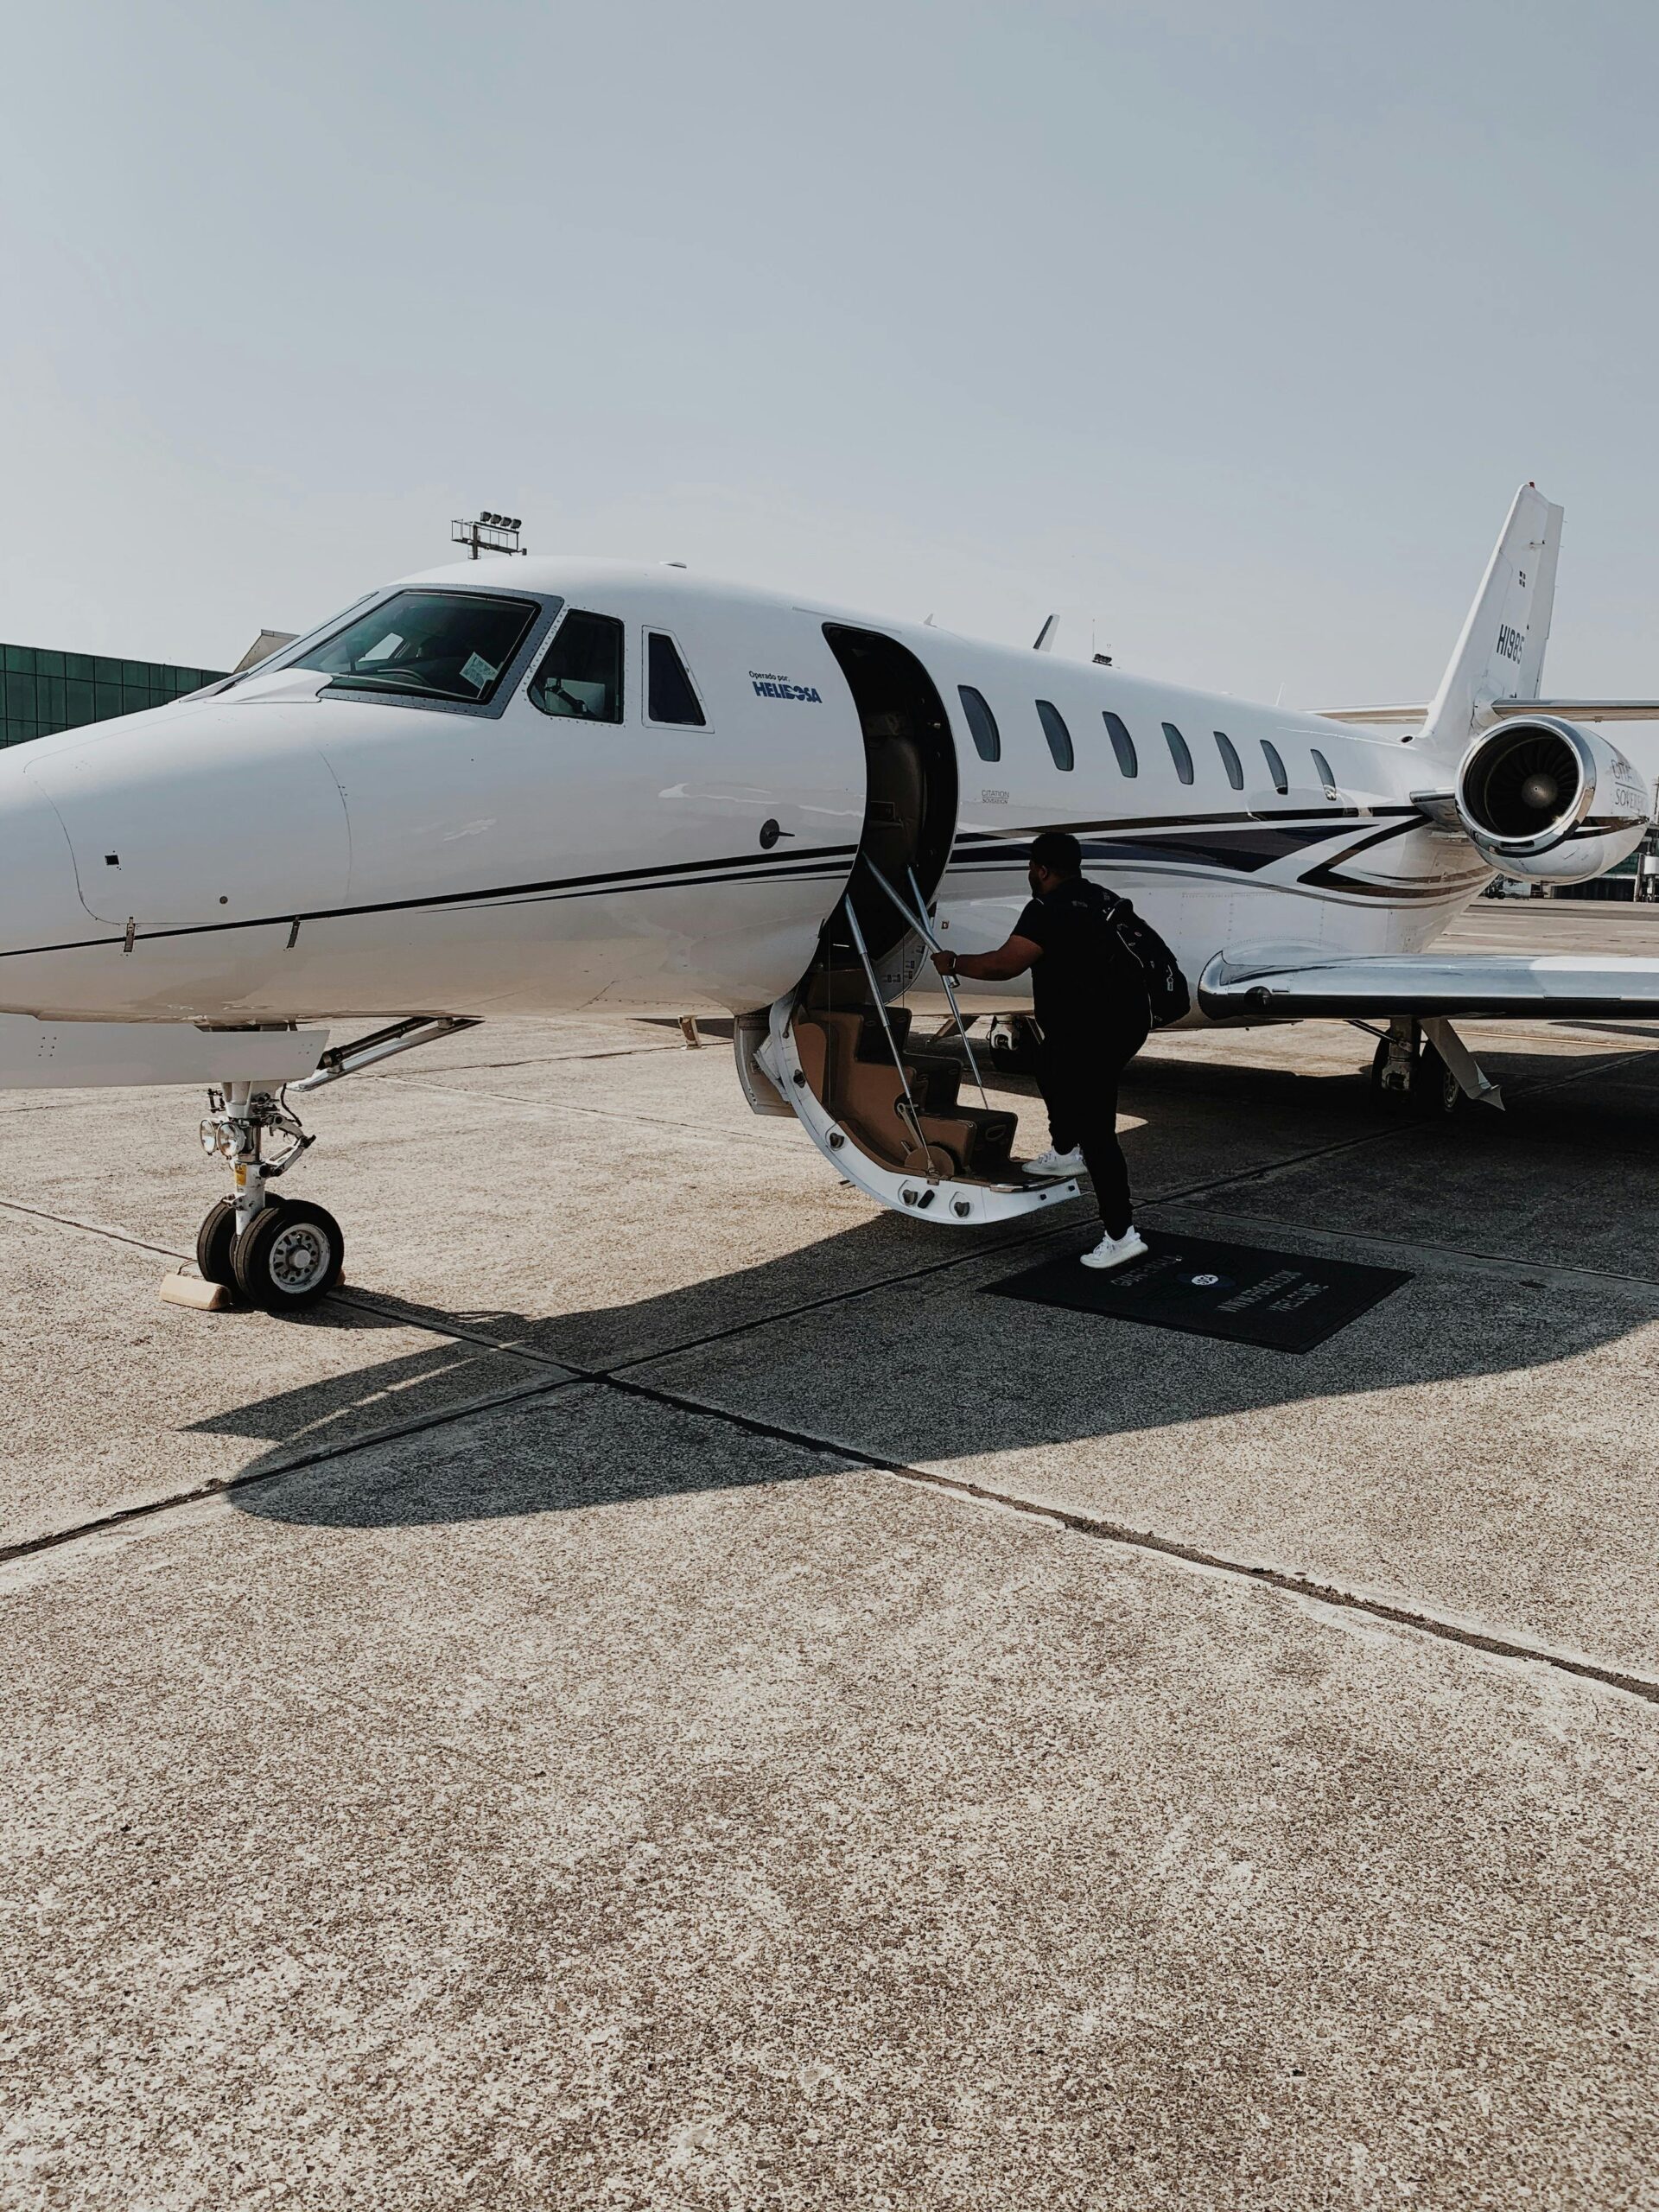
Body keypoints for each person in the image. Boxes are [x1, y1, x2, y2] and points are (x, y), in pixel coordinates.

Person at [931, 830, 1150, 1270]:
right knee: (1048, 1063)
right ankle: (1065, 1151)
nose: (1030, 874)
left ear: (1043, 870)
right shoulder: (1102, 899)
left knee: (1098, 1134)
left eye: (1032, 867)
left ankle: (1121, 1235)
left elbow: (1004, 964)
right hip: (1122, 1024)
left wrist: (954, 963)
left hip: (1091, 1035)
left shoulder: (1047, 909)